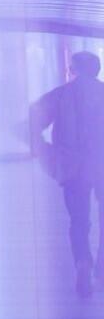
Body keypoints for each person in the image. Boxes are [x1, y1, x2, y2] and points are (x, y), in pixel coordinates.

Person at [30, 51, 104, 295]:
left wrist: (46, 151)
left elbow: (30, 122)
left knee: (79, 221)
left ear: (73, 70)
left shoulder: (61, 95)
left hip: (73, 168)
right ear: (97, 70)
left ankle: (83, 261)